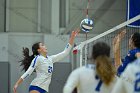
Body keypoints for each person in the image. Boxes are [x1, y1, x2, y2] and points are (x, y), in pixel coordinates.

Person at [13, 29, 79, 93]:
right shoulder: (38, 58)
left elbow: (65, 52)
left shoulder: (51, 59)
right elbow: (28, 72)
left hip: (44, 89)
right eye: (42, 45)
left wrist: (72, 37)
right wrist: (17, 84)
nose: (45, 46)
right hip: (36, 86)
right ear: (39, 50)